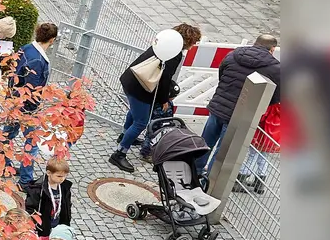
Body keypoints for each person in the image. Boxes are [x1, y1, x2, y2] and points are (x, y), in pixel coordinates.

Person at [110, 23, 203, 173]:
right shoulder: (175, 54)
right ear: (187, 41)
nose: (193, 47)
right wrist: (164, 100)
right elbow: (165, 79)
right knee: (141, 122)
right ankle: (119, 153)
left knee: (134, 112)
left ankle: (125, 136)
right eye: (193, 43)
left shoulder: (163, 44)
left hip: (130, 80)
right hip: (141, 89)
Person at [202, 33, 281, 156]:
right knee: (223, 154)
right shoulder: (275, 68)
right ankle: (212, 169)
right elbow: (276, 96)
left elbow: (222, 74)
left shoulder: (233, 55)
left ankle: (194, 167)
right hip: (240, 115)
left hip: (218, 107)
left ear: (255, 43)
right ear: (272, 49)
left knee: (204, 145)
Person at [4, 21, 58, 188]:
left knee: (7, 135)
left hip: (14, 100)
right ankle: (25, 180)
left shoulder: (26, 48)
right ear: (52, 40)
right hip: (26, 107)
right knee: (32, 142)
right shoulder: (39, 60)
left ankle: (4, 166)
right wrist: (33, 111)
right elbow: (32, 89)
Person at [22, 157, 73, 237]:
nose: (62, 179)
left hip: (58, 222)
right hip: (43, 225)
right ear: (49, 173)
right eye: (59, 176)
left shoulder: (64, 187)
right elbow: (30, 208)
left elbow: (67, 204)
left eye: (65, 176)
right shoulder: (38, 189)